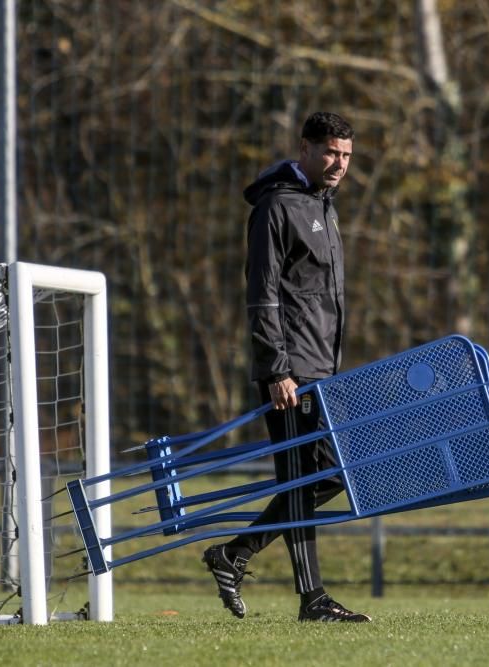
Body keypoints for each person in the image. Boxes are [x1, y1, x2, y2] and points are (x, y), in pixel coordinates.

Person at [202, 111, 370, 623]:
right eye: (329, 153)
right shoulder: (277, 207)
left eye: (345, 155)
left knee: (326, 475)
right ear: (304, 148)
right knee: (302, 478)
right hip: (290, 372)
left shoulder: (324, 206)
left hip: (321, 368)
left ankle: (234, 555)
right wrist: (277, 369)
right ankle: (311, 598)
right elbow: (263, 294)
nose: (338, 164)